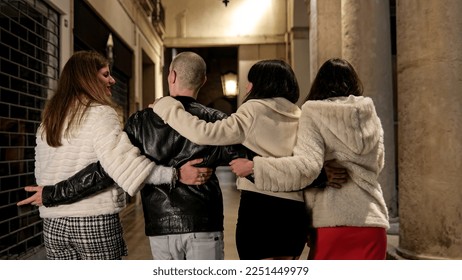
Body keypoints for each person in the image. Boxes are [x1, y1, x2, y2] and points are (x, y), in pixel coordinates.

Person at [19, 51, 245, 260]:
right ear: (203, 81)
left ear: (171, 76)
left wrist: (50, 195)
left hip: (54, 224)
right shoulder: (216, 119)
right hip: (98, 219)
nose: (113, 80)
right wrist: (175, 174)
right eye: (106, 74)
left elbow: (46, 171)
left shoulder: (48, 121)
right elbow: (115, 167)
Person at [151, 59, 311, 260]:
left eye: (250, 81)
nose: (246, 86)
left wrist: (166, 106)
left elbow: (205, 132)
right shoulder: (301, 115)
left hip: (261, 208)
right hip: (295, 211)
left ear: (261, 83)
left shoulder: (254, 109)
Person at [231, 58, 390, 260]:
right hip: (373, 223)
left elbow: (306, 168)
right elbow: (378, 164)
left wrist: (257, 167)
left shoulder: (313, 112)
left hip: (331, 223)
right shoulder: (370, 115)